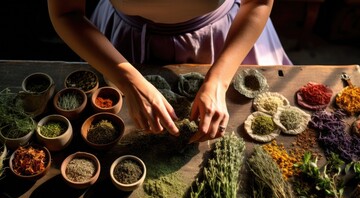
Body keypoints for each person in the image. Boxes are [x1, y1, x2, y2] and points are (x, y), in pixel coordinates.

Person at [47, 0, 292, 143]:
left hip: (224, 39)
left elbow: (258, 1)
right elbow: (66, 12)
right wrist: (128, 81)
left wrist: (218, 81)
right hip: (121, 44)